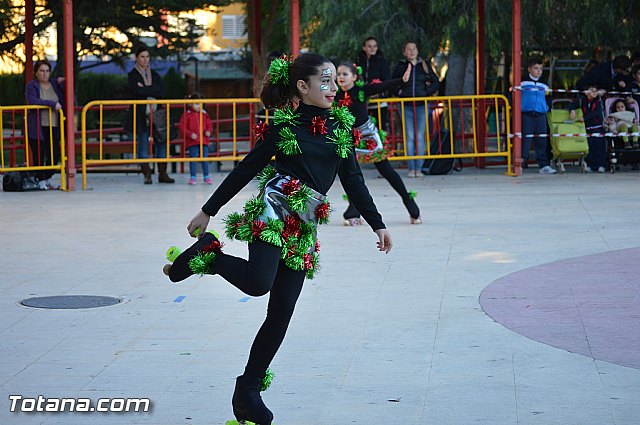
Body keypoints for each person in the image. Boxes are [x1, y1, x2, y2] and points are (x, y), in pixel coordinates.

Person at [163, 53, 392, 425]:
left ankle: (248, 392)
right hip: (274, 206)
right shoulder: (283, 129)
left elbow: (353, 180)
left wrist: (377, 223)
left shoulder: (341, 128)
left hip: (305, 221)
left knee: (281, 311)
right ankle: (211, 253)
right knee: (258, 282)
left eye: (336, 81)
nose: (334, 88)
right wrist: (208, 210)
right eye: (326, 81)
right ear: (302, 87)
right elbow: (246, 169)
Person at [335, 62, 421, 225]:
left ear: (354, 77)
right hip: (347, 137)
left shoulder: (361, 91)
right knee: (349, 173)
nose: (340, 77)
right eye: (338, 74)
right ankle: (354, 208)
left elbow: (382, 86)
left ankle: (409, 202)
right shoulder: (335, 94)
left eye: (344, 74)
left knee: (386, 170)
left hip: (367, 136)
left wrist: (401, 80)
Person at [392, 41, 440, 177]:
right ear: (404, 52)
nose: (411, 51)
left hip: (421, 104)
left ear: (417, 51)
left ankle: (419, 168)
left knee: (420, 136)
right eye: (408, 49)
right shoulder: (401, 66)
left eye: (414, 49)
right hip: (405, 105)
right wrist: (400, 93)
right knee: (410, 136)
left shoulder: (424, 65)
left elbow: (436, 82)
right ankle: (411, 169)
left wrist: (426, 93)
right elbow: (393, 83)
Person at [127, 46, 174, 184]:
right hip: (141, 114)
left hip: (157, 114)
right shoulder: (132, 75)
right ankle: (147, 174)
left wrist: (145, 89)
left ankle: (162, 173)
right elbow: (136, 91)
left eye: (147, 57)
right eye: (142, 56)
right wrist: (149, 91)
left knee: (161, 142)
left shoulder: (155, 75)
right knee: (142, 144)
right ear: (137, 58)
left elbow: (159, 90)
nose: (145, 60)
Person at [25, 59, 65, 190]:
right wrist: (52, 104)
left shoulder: (55, 84)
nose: (44, 74)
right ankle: (41, 180)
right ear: (36, 72)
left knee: (55, 154)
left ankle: (47, 178)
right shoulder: (31, 86)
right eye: (41, 71)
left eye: (47, 71)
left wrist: (63, 84)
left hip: (53, 124)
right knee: (39, 153)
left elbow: (66, 99)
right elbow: (32, 101)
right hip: (37, 125)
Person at [520, 57, 556, 174]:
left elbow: (549, 97)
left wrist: (547, 107)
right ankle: (520, 163)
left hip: (541, 115)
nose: (539, 71)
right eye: (536, 68)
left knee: (542, 141)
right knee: (525, 140)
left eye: (540, 68)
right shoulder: (522, 82)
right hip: (527, 115)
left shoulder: (544, 83)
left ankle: (543, 165)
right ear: (529, 69)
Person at [355, 37, 392, 130]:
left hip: (379, 103)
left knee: (380, 130)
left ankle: (381, 145)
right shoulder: (358, 61)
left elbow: (387, 81)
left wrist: (378, 93)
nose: (372, 49)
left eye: (375, 46)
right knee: (363, 130)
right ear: (364, 48)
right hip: (363, 103)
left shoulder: (382, 62)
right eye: (369, 46)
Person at [178, 92, 214, 185]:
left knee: (204, 159)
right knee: (193, 159)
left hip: (204, 140)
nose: (199, 106)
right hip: (192, 141)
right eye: (197, 104)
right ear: (191, 103)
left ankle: (206, 176)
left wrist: (208, 132)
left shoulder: (204, 114)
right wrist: (190, 134)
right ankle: (193, 177)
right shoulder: (187, 114)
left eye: (201, 104)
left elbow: (209, 125)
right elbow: (182, 127)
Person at [569, 84, 606, 172]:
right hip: (587, 128)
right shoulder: (582, 100)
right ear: (586, 92)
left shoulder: (599, 101)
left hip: (598, 127)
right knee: (589, 147)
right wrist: (572, 110)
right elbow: (572, 104)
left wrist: (584, 118)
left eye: (595, 90)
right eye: (591, 90)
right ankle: (590, 165)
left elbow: (596, 112)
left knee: (599, 147)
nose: (594, 92)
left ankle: (601, 165)